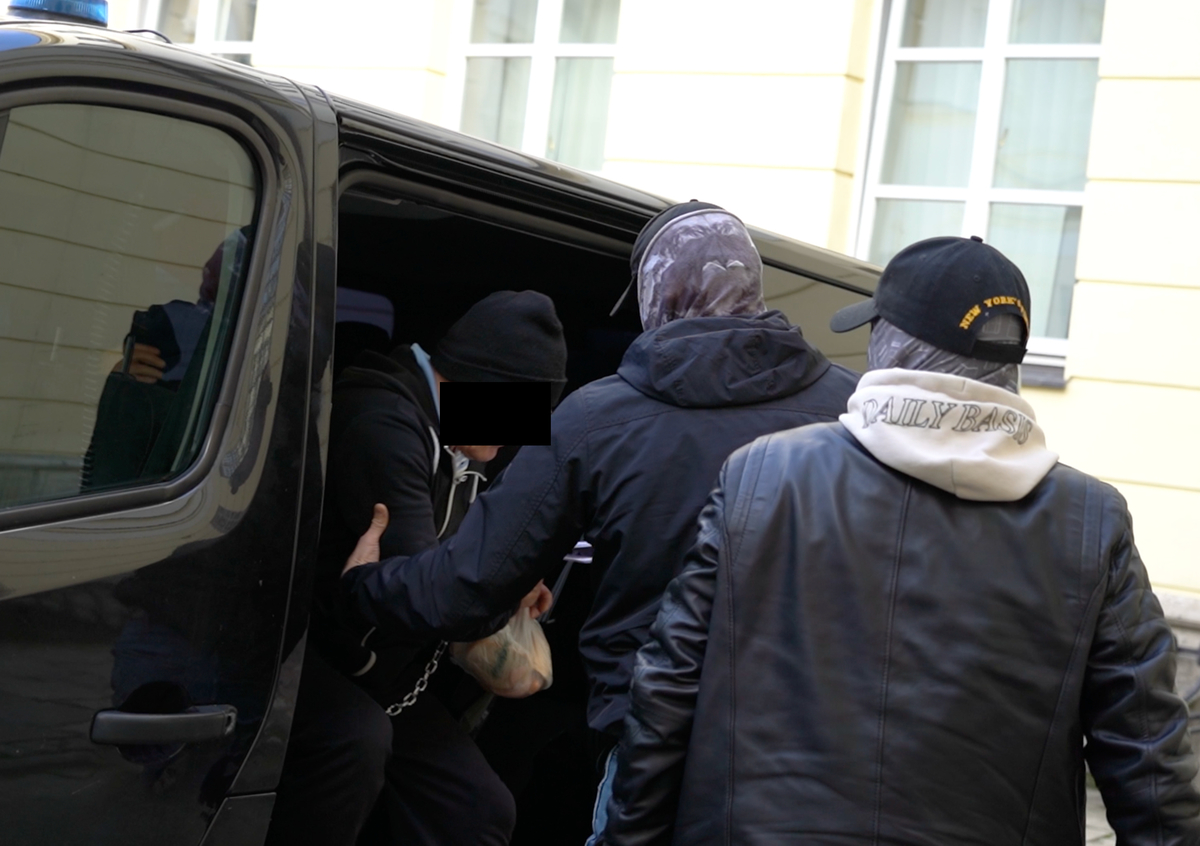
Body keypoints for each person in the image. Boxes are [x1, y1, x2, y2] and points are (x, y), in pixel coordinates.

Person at [593, 236, 1200, 845]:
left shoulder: (761, 475)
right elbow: (1149, 759)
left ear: (891, 343)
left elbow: (665, 690)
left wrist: (629, 836)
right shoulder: (1089, 519)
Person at [338, 202, 860, 841]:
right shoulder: (855, 408)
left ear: (653, 296)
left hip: (659, 751)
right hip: (825, 751)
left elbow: (460, 591)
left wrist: (365, 585)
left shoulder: (596, 418)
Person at [267, 290, 567, 846]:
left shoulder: (459, 439)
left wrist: (510, 579)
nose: (513, 437)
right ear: (479, 383)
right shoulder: (382, 420)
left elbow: (456, 563)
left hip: (382, 667)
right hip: (307, 651)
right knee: (353, 743)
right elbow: (431, 594)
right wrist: (501, 586)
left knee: (478, 810)